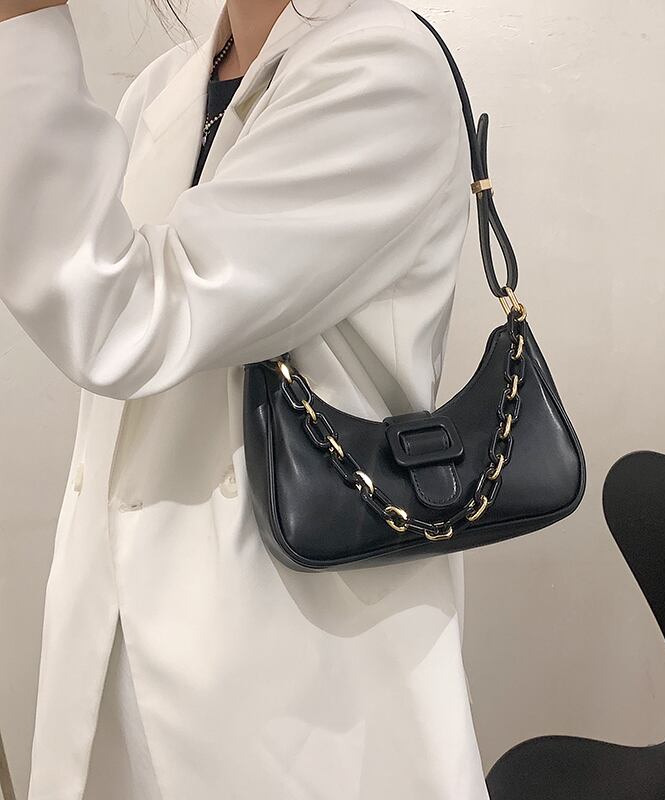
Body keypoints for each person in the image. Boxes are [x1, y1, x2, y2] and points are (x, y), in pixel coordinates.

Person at [0, 0, 491, 797]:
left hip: (294, 685)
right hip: (117, 643)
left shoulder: (383, 69)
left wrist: (22, 29)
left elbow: (123, 319)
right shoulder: (163, 88)